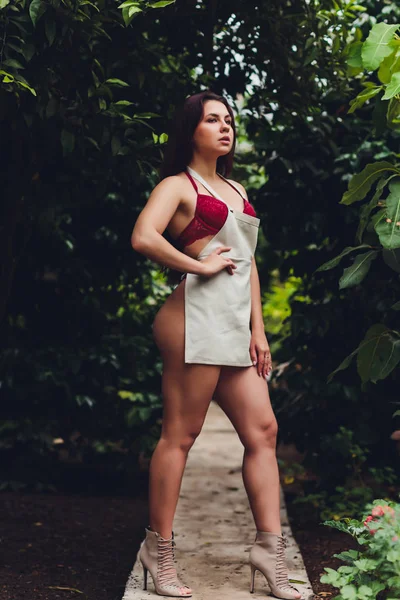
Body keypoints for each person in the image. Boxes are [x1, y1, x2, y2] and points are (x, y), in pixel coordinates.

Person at [130, 90, 302, 600]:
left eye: (229, 119)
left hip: (233, 324)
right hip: (192, 320)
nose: (225, 127)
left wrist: (259, 328)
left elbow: (247, 264)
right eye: (212, 119)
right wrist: (200, 264)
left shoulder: (235, 186)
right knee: (181, 436)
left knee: (263, 431)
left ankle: (268, 554)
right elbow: (144, 236)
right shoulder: (176, 186)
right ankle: (158, 553)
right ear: (192, 131)